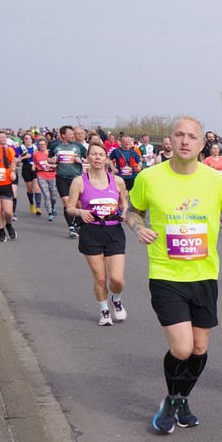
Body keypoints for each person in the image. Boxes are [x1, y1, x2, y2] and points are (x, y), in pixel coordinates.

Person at [124, 116, 222, 434]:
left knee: (199, 348)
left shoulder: (216, 181)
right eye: (179, 135)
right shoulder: (149, 177)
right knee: (181, 348)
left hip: (204, 275)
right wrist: (138, 228)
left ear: (201, 144)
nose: (184, 141)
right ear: (169, 140)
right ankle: (171, 400)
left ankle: (180, 400)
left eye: (192, 136)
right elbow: (132, 211)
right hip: (166, 274)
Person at [67, 140, 129, 326]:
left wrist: (125, 211)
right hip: (91, 231)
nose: (97, 157)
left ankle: (116, 299)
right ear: (87, 157)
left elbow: (124, 203)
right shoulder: (79, 182)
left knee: (117, 279)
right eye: (93, 154)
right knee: (100, 278)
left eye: (101, 154)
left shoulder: (117, 181)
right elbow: (70, 207)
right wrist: (80, 212)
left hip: (113, 231)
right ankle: (104, 311)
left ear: (106, 159)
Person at [52, 125, 88, 237]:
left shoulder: (78, 146)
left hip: (76, 179)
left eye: (73, 134)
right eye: (71, 134)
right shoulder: (55, 146)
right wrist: (52, 160)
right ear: (63, 135)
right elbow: (49, 158)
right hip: (61, 178)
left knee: (80, 205)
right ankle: (71, 227)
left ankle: (77, 224)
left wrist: (81, 160)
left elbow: (89, 158)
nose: (73, 136)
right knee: (67, 203)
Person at [34, 139, 59, 220]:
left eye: (43, 144)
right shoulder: (36, 154)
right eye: (40, 144)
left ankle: (53, 207)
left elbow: (58, 165)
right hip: (41, 175)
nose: (42, 146)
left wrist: (51, 165)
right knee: (46, 194)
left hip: (52, 175)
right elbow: (35, 163)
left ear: (46, 144)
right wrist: (33, 166)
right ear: (38, 145)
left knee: (54, 196)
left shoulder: (51, 154)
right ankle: (50, 213)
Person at [18, 132, 40, 215]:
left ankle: (38, 208)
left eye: (29, 138)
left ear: (32, 139)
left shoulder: (36, 147)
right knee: (30, 189)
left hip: (35, 168)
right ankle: (32, 204)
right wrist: (24, 157)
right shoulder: (20, 148)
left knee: (37, 188)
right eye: (26, 139)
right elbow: (16, 159)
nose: (28, 140)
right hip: (26, 168)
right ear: (23, 140)